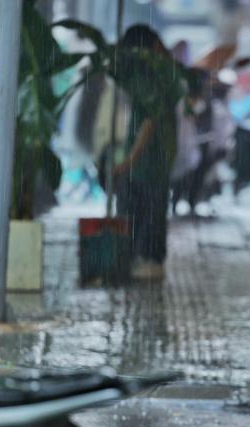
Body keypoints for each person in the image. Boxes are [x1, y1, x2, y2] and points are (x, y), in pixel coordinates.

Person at [114, 25, 175, 279]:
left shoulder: (152, 77)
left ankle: (149, 260)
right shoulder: (156, 73)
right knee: (143, 208)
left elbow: (150, 120)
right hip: (151, 157)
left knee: (146, 209)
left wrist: (130, 159)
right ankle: (140, 259)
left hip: (150, 158)